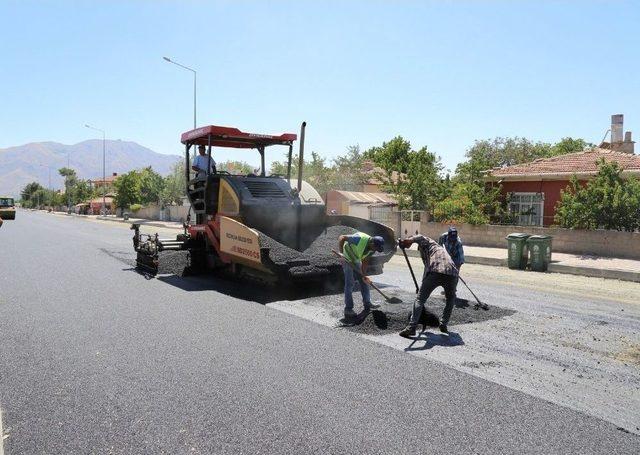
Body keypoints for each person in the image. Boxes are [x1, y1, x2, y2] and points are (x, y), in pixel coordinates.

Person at [398, 235, 459, 337]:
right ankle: (443, 324)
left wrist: (409, 240)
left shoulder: (431, 243)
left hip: (436, 272)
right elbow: (427, 269)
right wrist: (422, 286)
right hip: (453, 273)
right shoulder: (437, 252)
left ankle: (411, 327)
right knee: (450, 299)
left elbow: (421, 237)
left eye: (420, 249)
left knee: (419, 300)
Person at [338, 232, 385, 319]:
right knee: (350, 283)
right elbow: (342, 237)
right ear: (372, 243)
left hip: (355, 258)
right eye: (375, 248)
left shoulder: (372, 249)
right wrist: (341, 254)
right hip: (347, 257)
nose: (375, 250)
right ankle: (348, 309)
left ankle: (367, 303)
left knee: (364, 281)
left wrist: (363, 275)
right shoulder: (359, 238)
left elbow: (365, 261)